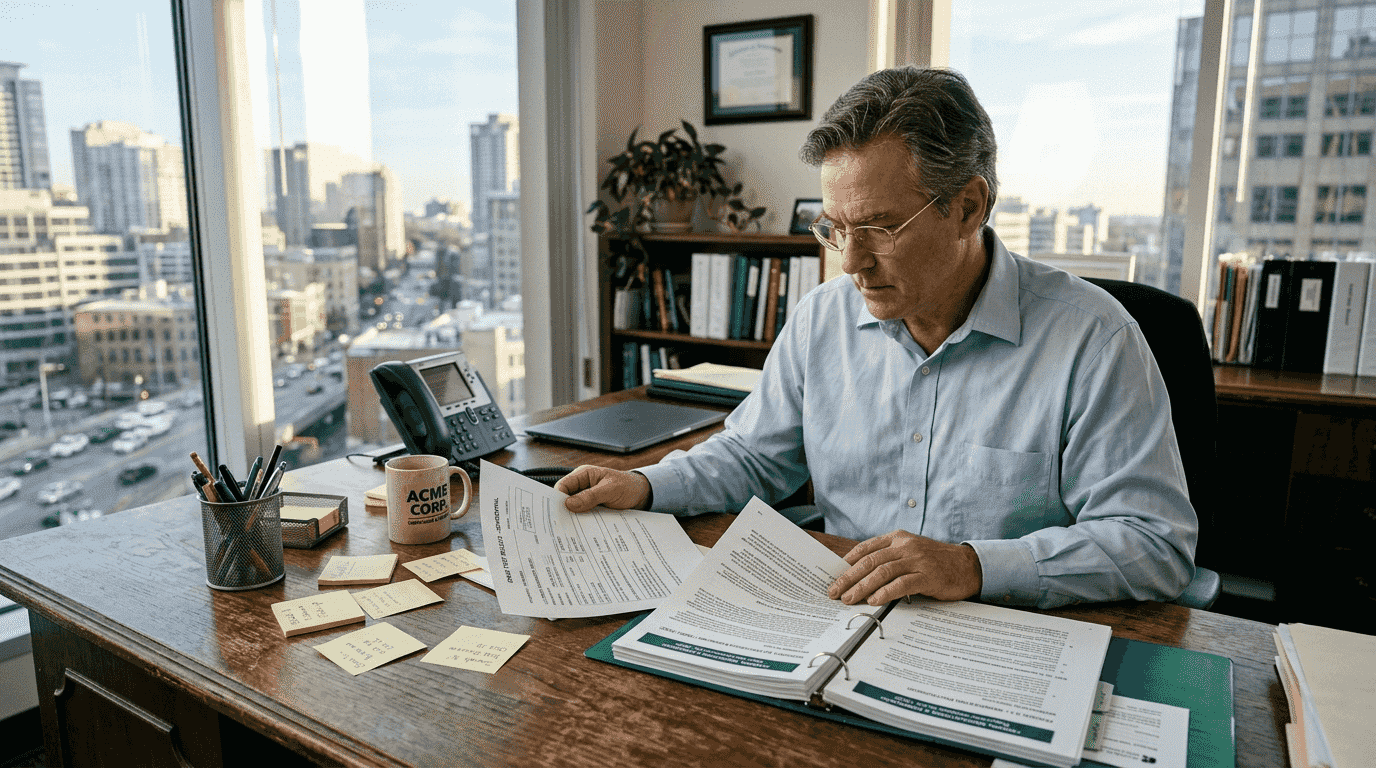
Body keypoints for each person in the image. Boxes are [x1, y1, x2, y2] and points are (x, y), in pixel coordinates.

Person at [556, 67, 1197, 611]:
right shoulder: (822, 319)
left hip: (1009, 636)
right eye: (835, 228)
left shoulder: (1093, 336)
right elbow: (755, 456)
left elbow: (1154, 546)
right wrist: (646, 485)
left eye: (881, 227)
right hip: (837, 618)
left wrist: (975, 566)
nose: (851, 262)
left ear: (969, 207)